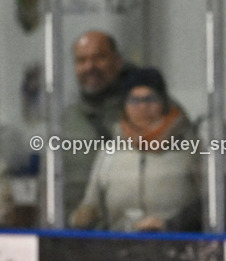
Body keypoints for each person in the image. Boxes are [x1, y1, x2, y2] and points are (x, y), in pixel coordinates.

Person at [70, 67, 200, 232]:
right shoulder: (110, 152)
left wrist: (173, 224)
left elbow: (209, 205)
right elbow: (91, 203)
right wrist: (83, 215)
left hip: (176, 244)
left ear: (164, 103)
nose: (142, 107)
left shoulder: (191, 148)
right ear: (124, 106)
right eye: (134, 100)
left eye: (150, 99)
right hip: (119, 247)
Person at [63, 31, 136, 221]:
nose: (90, 67)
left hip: (129, 232)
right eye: (81, 60)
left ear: (117, 61)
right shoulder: (65, 122)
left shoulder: (143, 111)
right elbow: (49, 189)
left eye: (99, 58)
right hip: (75, 236)